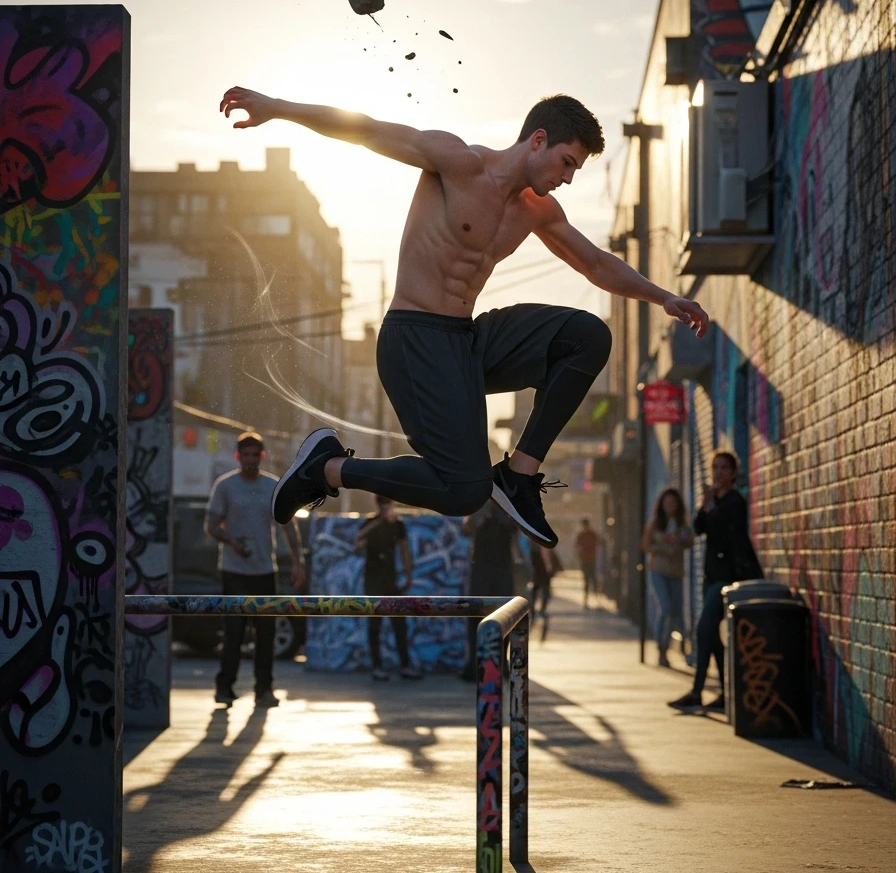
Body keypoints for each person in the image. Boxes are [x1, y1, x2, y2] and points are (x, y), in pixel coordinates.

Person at [219, 88, 709, 547]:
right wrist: (276, 106)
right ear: (537, 140)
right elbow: (365, 129)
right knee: (464, 491)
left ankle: (518, 475)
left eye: (575, 169)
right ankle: (326, 469)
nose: (567, 177)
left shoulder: (538, 210)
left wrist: (663, 297)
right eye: (566, 162)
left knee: (588, 337)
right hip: (413, 339)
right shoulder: (457, 162)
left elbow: (597, 264)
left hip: (466, 340)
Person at [205, 432, 305, 709]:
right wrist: (231, 542)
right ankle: (224, 689)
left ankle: (264, 690)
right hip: (234, 571)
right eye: (245, 455)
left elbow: (290, 527)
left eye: (254, 455)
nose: (250, 460)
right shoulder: (225, 486)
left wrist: (298, 563)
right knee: (234, 632)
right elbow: (211, 525)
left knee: (266, 634)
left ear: (262, 457)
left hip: (264, 571)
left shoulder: (273, 486)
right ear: (238, 457)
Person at [668, 451, 762, 712]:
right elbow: (699, 528)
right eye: (715, 468)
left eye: (724, 468)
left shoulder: (734, 501)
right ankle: (724, 694)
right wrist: (705, 504)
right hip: (711, 577)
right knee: (711, 634)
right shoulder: (715, 501)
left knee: (703, 630)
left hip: (728, 578)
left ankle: (697, 692)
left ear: (733, 472)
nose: (718, 473)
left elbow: (721, 528)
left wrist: (711, 504)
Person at [355, 496, 416, 680]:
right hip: (373, 581)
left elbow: (405, 549)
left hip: (391, 581)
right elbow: (357, 542)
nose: (385, 508)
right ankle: (377, 666)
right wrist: (379, 522)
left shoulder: (398, 525)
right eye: (382, 504)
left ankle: (405, 666)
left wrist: (408, 574)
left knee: (399, 624)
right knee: (375, 625)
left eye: (387, 504)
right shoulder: (370, 523)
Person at [460, 503, 517, 681]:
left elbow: (516, 529)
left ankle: (501, 661)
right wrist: (482, 512)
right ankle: (473, 664)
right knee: (475, 615)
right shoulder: (480, 502)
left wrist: (502, 511)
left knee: (505, 616)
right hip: (481, 569)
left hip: (503, 567)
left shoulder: (509, 504)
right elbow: (466, 528)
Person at [641, 488, 694, 667]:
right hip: (658, 571)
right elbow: (646, 546)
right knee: (665, 608)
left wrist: (679, 540)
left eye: (673, 503)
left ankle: (684, 647)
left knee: (677, 612)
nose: (670, 506)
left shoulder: (681, 524)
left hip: (676, 572)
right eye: (667, 503)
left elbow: (690, 542)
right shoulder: (655, 524)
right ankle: (662, 649)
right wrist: (663, 545)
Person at [575, 517, 600, 607]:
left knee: (590, 580)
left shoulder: (590, 534)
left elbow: (577, 547)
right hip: (588, 560)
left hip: (589, 560)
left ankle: (593, 599)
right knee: (589, 580)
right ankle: (589, 600)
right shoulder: (586, 534)